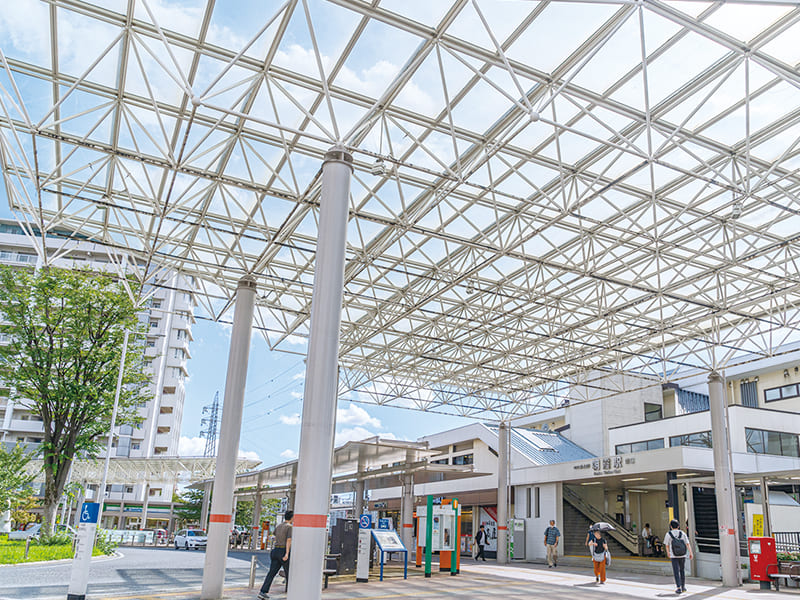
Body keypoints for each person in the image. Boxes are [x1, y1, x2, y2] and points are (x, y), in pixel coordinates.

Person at [258, 511, 293, 600]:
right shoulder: (289, 527)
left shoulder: (279, 526)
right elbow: (288, 540)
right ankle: (292, 593)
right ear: (292, 518)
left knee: (271, 573)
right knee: (290, 573)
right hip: (283, 550)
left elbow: (274, 535)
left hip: (275, 550)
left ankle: (263, 591)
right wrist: (287, 553)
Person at [664, 519, 693, 594]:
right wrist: (690, 553)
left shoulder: (668, 534)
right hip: (682, 555)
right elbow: (687, 543)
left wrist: (668, 553)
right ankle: (683, 587)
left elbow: (667, 545)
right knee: (682, 570)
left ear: (671, 526)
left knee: (676, 571)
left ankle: (678, 587)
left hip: (674, 555)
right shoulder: (682, 533)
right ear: (678, 526)